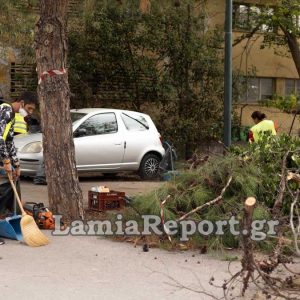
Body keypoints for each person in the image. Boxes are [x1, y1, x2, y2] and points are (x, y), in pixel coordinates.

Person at [0, 93, 38, 245]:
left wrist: (17, 164)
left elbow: (9, 142)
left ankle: (8, 215)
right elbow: (0, 138)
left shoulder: (13, 116)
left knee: (12, 183)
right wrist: (6, 161)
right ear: (22, 103)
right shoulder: (6, 110)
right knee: (4, 188)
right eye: (29, 108)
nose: (30, 112)